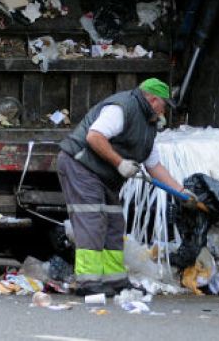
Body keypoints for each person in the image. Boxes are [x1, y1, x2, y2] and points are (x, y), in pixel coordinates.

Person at [57, 78, 191, 296]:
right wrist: (120, 163)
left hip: (105, 174)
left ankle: (114, 280)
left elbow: (154, 165)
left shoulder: (149, 126)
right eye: (164, 105)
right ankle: (88, 282)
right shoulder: (122, 108)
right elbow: (95, 136)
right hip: (80, 164)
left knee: (114, 222)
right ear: (153, 99)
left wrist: (181, 192)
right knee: (93, 220)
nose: (164, 111)